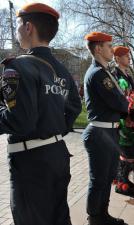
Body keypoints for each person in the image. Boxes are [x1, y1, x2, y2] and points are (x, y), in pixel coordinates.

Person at [0, 3, 82, 225]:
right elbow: (74, 107)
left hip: (30, 163)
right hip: (57, 155)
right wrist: (54, 128)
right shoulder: (63, 71)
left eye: (18, 25)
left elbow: (21, 122)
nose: (16, 31)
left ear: (28, 27)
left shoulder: (18, 66)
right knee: (59, 218)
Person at [82, 31, 128, 225]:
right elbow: (118, 102)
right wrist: (127, 105)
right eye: (109, 46)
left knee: (108, 176)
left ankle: (103, 214)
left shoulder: (104, 71)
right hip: (100, 133)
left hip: (108, 132)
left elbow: (120, 100)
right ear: (98, 49)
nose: (112, 49)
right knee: (98, 179)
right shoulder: (98, 74)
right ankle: (94, 218)